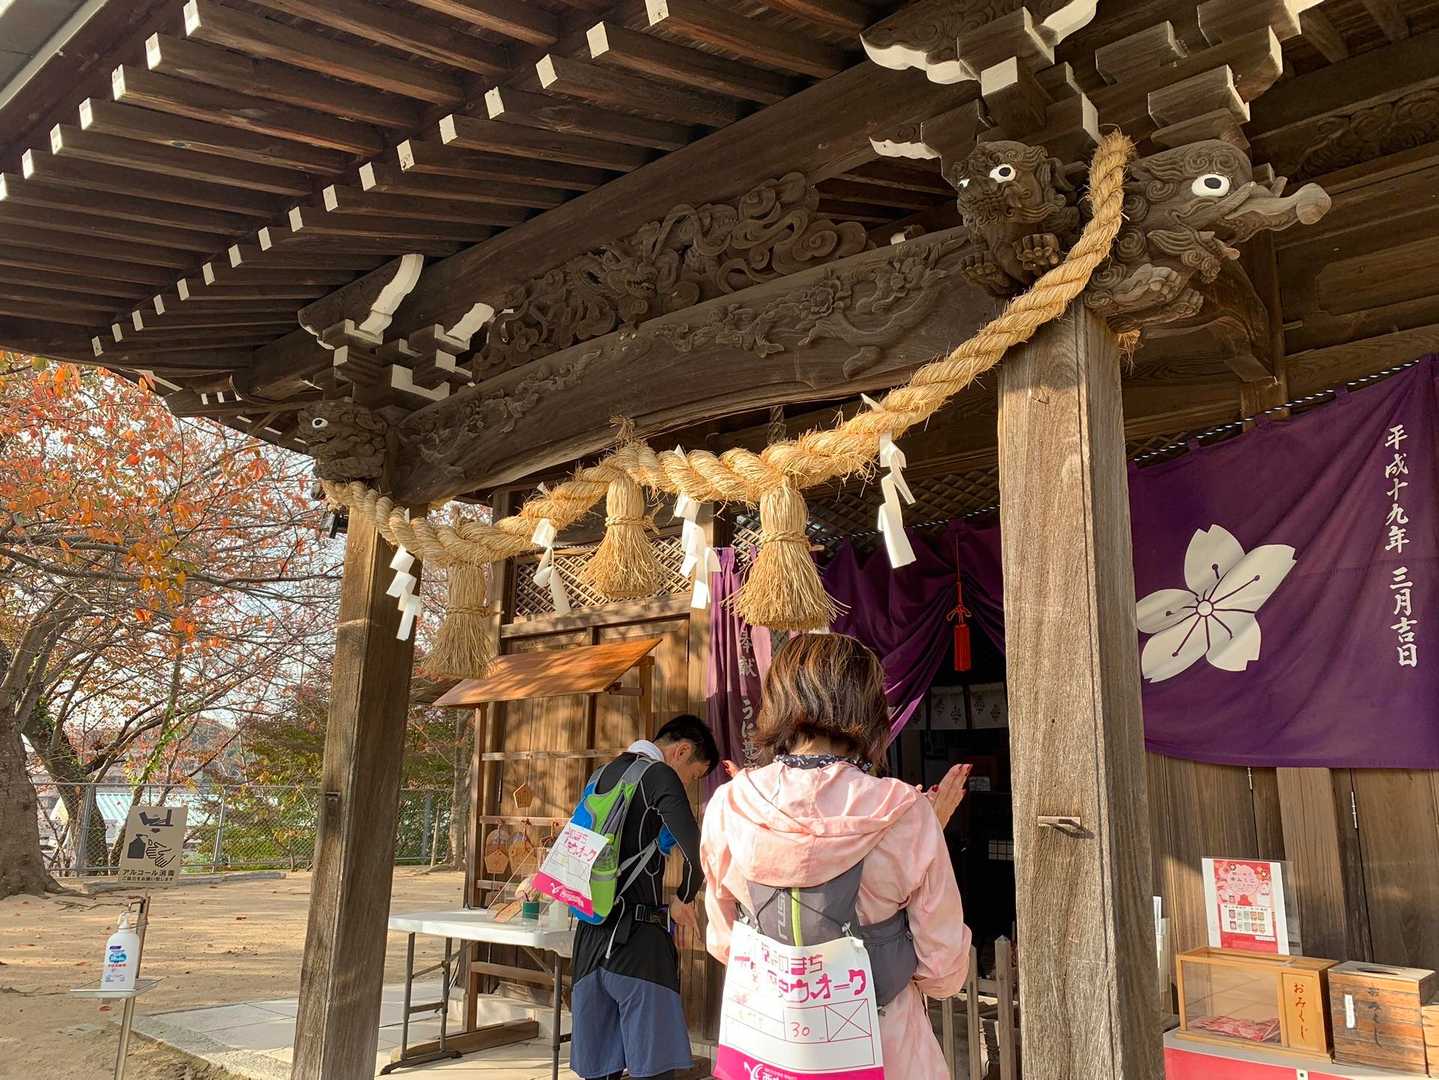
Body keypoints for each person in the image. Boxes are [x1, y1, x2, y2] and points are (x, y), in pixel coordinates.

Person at [700, 633, 972, 1080]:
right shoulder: (904, 811)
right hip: (884, 1048)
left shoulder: (730, 804)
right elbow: (942, 970)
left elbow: (724, 942)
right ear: (869, 709)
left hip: (770, 1049)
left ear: (778, 700)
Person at [569, 713, 720, 1080]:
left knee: (598, 1071)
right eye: (694, 776)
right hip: (639, 947)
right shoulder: (660, 776)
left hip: (589, 941)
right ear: (682, 751)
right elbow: (698, 854)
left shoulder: (600, 776)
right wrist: (684, 898)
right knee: (654, 1069)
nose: (689, 784)